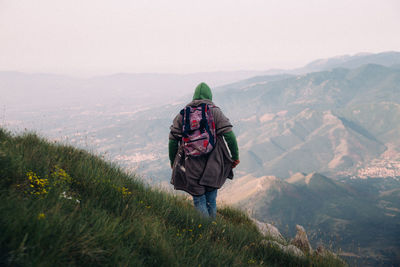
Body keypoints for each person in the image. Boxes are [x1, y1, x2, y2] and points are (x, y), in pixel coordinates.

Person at [169, 82, 239, 218]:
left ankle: (205, 232)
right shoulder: (215, 112)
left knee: (199, 199)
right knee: (211, 199)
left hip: (191, 164)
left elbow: (172, 141)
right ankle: (213, 231)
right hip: (214, 163)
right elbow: (229, 136)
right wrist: (235, 156)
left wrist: (173, 162)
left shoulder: (182, 115)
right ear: (210, 96)